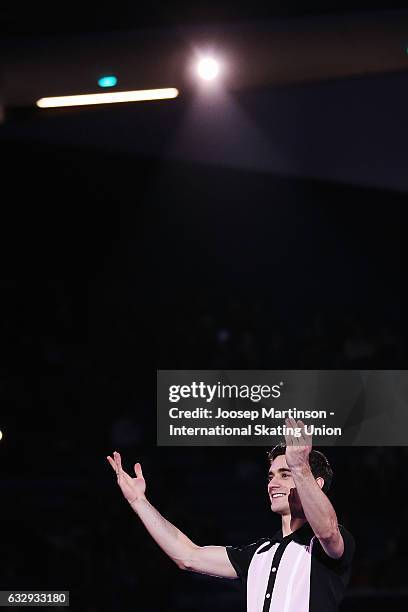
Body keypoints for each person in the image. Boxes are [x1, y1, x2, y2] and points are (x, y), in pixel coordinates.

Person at [107, 418, 354, 612]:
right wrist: (139, 502)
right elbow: (188, 555)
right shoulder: (258, 554)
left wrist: (299, 466)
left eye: (284, 474)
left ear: (317, 483)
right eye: (271, 476)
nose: (272, 484)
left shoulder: (324, 545)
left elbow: (327, 529)